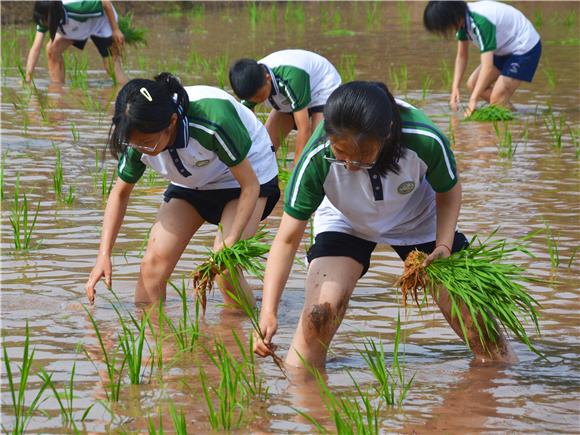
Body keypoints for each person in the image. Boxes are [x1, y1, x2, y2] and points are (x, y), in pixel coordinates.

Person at [253, 81, 517, 368]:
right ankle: (302, 402)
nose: (351, 165)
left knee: (478, 324)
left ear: (387, 134)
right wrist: (268, 311)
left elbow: (449, 191)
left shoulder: (423, 138)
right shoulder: (317, 157)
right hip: (346, 219)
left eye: (362, 156)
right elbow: (287, 238)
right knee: (319, 315)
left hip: (417, 218)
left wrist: (443, 244)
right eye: (341, 153)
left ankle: (501, 390)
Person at [85, 73, 280, 305]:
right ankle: (155, 339)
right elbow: (120, 193)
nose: (141, 149)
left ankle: (244, 334)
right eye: (135, 142)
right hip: (192, 181)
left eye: (148, 141)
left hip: (244, 179)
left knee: (224, 268)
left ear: (173, 122)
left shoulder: (212, 121)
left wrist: (229, 243)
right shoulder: (136, 137)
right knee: (151, 268)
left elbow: (250, 186)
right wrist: (103, 255)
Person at [423, 1, 541, 116]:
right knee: (473, 84)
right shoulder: (462, 21)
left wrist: (473, 100)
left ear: (451, 16)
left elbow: (488, 67)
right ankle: (515, 115)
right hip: (502, 48)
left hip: (523, 47)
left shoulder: (480, 21)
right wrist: (455, 88)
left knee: (497, 97)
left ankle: (505, 117)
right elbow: (462, 56)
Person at [229, 49, 341, 164]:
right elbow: (248, 129)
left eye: (259, 96)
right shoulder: (248, 84)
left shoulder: (291, 77)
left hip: (321, 88)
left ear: (267, 79)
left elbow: (304, 128)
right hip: (289, 94)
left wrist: (296, 167)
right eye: (252, 100)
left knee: (318, 148)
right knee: (265, 148)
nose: (257, 101)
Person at [25, 0, 127, 85]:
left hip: (100, 25)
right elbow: (35, 48)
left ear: (55, 15)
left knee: (112, 69)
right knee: (52, 50)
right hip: (75, 30)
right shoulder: (44, 19)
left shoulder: (78, 7)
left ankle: (130, 92)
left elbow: (105, 2)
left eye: (44, 19)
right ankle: (57, 88)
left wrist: (115, 29)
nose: (42, 23)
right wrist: (28, 78)